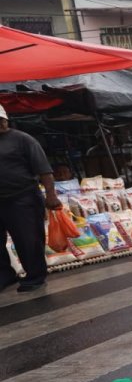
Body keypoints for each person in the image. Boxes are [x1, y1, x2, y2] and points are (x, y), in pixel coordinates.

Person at [0, 103, 63, 293]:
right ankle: (5, 275)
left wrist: (51, 196)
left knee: (28, 239)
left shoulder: (22, 140)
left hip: (23, 198)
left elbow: (44, 170)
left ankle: (35, 276)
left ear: (4, 120)